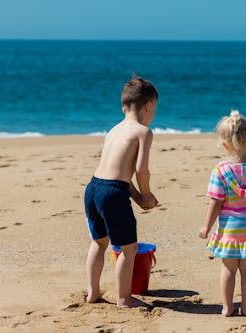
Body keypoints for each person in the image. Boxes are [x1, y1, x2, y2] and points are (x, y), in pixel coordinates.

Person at [84, 77, 159, 307]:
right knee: (128, 249)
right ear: (147, 106)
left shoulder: (113, 131)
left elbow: (118, 174)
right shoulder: (143, 132)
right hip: (113, 194)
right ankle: (124, 298)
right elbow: (140, 170)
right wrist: (146, 195)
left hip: (94, 188)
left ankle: (93, 292)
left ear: (124, 106)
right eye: (154, 108)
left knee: (99, 243)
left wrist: (137, 199)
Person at [198, 110, 246, 317]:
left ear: (224, 144)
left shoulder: (221, 171)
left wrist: (206, 226)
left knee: (228, 269)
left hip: (230, 231)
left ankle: (227, 307)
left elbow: (215, 202)